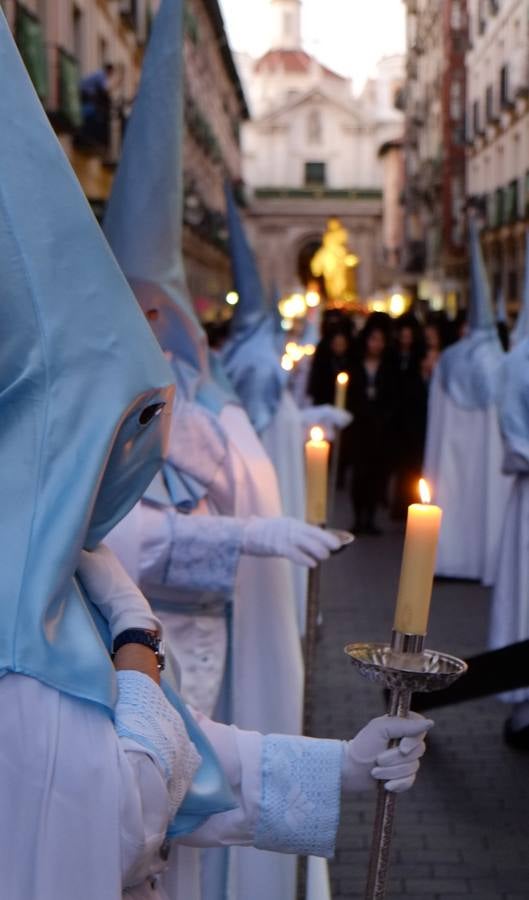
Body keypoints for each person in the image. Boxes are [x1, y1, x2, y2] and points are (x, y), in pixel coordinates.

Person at [1, 15, 434, 898]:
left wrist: (337, 766)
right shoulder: (32, 635)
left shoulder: (64, 579)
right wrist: (132, 640)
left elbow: (182, 757)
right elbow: (120, 811)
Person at [423, 220, 512, 585]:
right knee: (486, 496)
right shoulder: (501, 361)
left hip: (451, 447)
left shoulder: (449, 358)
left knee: (453, 491)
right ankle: (484, 559)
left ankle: (448, 554)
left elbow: (435, 414)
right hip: (489, 452)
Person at [347, 317, 396, 535]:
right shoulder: (355, 365)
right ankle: (358, 516)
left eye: (380, 340)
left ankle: (371, 516)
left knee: (376, 474)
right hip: (359, 427)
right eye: (373, 339)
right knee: (360, 473)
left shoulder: (388, 367)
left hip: (380, 428)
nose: (376, 344)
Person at [390, 315, 428, 519]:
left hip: (415, 418)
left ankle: (410, 505)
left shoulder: (419, 358)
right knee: (400, 466)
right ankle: (398, 504)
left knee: (413, 466)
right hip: (398, 418)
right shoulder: (394, 357)